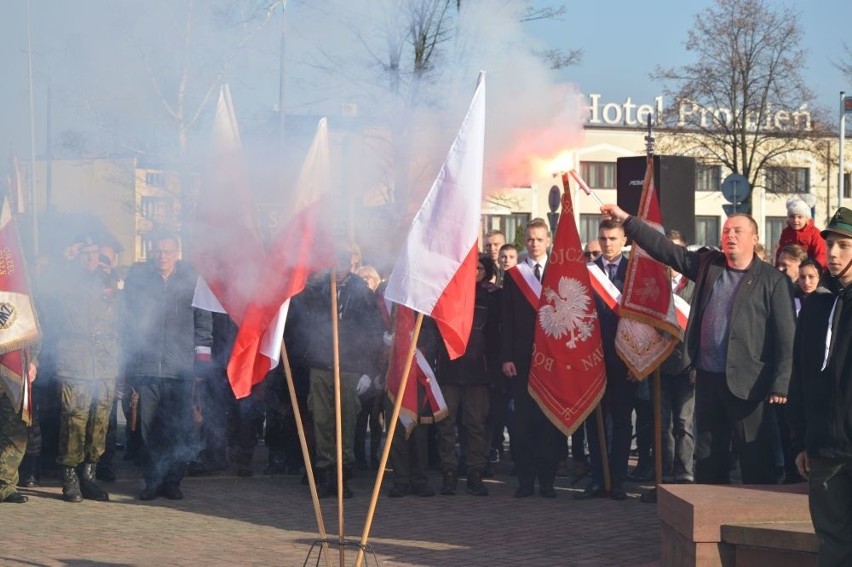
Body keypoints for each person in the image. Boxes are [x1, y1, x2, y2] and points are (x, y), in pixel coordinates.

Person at [601, 204, 797, 485]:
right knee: (709, 459)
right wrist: (627, 221)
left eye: (737, 231)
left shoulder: (773, 280)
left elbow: (786, 335)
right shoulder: (709, 266)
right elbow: (666, 249)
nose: (730, 236)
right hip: (708, 380)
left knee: (757, 461)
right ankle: (710, 519)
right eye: (726, 230)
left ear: (754, 238)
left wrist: (780, 383)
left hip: (750, 386)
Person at [121, 231, 213, 501]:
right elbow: (126, 322)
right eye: (158, 250)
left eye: (168, 250)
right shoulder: (138, 282)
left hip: (181, 369)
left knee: (178, 429)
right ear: (152, 252)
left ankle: (173, 481)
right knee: (148, 430)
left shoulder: (193, 281)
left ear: (177, 252)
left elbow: (204, 324)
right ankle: (152, 480)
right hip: (146, 368)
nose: (163, 255)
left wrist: (201, 365)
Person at [288, 244, 384, 499]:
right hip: (320, 364)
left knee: (346, 421)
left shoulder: (362, 292)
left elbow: (373, 333)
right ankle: (325, 470)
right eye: (335, 263)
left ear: (351, 263)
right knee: (321, 419)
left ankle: (343, 472)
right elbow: (300, 319)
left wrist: (368, 369)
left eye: (344, 263)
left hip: (351, 365)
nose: (339, 268)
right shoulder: (317, 290)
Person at [787, 207, 852, 565]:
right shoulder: (816, 306)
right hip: (824, 449)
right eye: (830, 244)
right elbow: (800, 377)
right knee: (831, 544)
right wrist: (801, 440)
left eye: (844, 245)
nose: (835, 252)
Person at [47, 234, 121, 502]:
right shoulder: (63, 280)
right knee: (74, 419)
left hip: (104, 360)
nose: (91, 259)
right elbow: (48, 294)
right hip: (75, 359)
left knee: (99, 419)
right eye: (85, 254)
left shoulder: (110, 281)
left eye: (95, 253)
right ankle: (70, 477)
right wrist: (64, 262)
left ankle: (89, 475)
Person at [500, 218, 566, 498]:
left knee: (549, 422)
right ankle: (526, 481)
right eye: (530, 239)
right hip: (522, 360)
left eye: (539, 239)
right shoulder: (515, 275)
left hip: (554, 362)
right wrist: (506, 357)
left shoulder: (562, 272)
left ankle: (548, 480)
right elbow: (506, 320)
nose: (534, 244)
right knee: (523, 423)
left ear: (548, 241)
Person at [575, 219, 634, 501]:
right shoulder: (587, 273)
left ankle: (618, 479)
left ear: (624, 240)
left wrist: (638, 360)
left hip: (624, 359)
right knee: (594, 421)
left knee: (622, 421)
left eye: (613, 238)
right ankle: (598, 478)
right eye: (603, 238)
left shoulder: (634, 272)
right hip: (592, 359)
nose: (607, 244)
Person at [435, 253, 500, 497]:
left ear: (486, 272)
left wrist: (493, 372)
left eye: (479, 269)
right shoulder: (446, 295)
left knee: (475, 425)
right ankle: (449, 473)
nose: (474, 272)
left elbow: (495, 337)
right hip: (448, 371)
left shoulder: (491, 298)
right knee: (446, 426)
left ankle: (475, 473)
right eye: (470, 268)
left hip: (478, 373)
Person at [1, 357, 37, 503]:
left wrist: (33, 361)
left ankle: (5, 485)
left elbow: (32, 335)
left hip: (14, 377)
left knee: (16, 434)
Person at [776, 197, 826, 269]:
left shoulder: (814, 233)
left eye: (800, 217)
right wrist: (777, 267)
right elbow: (780, 252)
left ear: (806, 219)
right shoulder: (786, 232)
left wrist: (815, 270)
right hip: (790, 269)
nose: (795, 220)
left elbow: (821, 254)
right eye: (792, 217)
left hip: (809, 269)